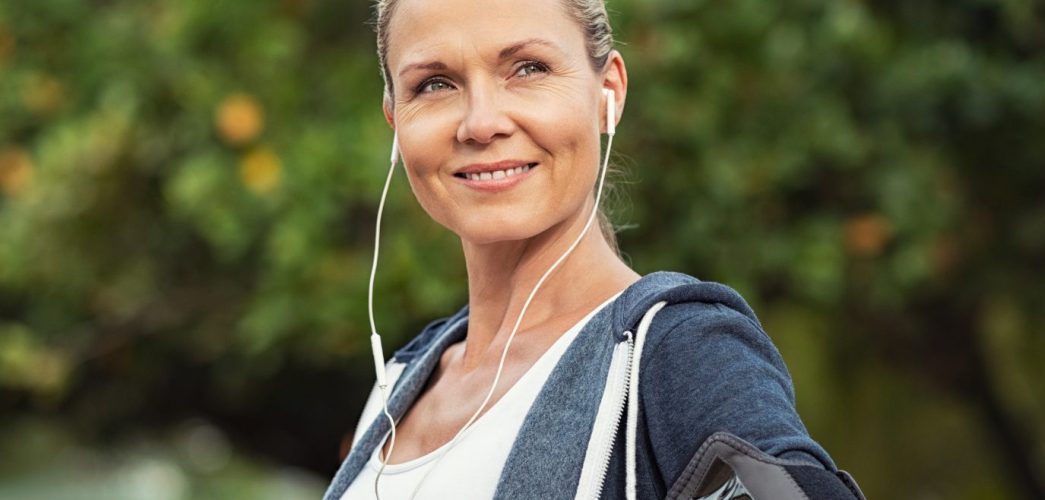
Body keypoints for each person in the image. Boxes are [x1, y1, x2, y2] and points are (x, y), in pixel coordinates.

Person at [325, 0, 864, 498]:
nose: (481, 123)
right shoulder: (397, 385)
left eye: (528, 68)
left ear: (610, 91)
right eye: (435, 84)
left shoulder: (676, 351)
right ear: (395, 119)